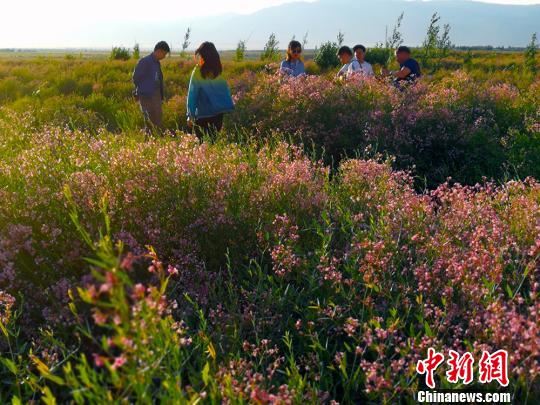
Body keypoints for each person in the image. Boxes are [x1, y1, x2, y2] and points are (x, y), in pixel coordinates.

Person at [187, 42, 235, 138]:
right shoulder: (219, 71)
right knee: (213, 144)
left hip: (202, 116)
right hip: (218, 115)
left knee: (202, 148)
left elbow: (192, 95)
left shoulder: (198, 72)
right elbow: (224, 91)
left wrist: (190, 115)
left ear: (203, 56)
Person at [132, 41, 170, 132]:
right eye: (164, 54)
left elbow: (158, 80)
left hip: (155, 95)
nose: (164, 57)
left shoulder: (156, 63)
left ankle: (156, 142)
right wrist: (142, 89)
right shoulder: (145, 61)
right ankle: (148, 142)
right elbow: (136, 78)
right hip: (145, 96)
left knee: (157, 119)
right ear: (159, 51)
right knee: (148, 121)